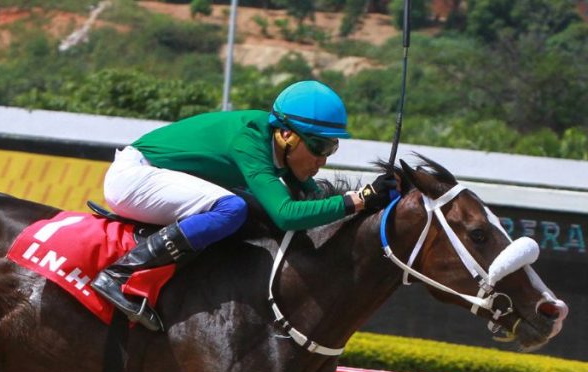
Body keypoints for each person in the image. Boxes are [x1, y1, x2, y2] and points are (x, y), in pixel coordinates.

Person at [91, 80, 399, 331]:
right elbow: (287, 215)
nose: (323, 159)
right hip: (135, 177)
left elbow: (317, 203)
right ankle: (119, 274)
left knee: (246, 208)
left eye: (331, 147)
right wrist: (359, 199)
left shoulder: (280, 148)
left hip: (156, 176)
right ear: (286, 135)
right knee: (233, 208)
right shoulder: (250, 141)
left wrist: (374, 197)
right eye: (318, 146)